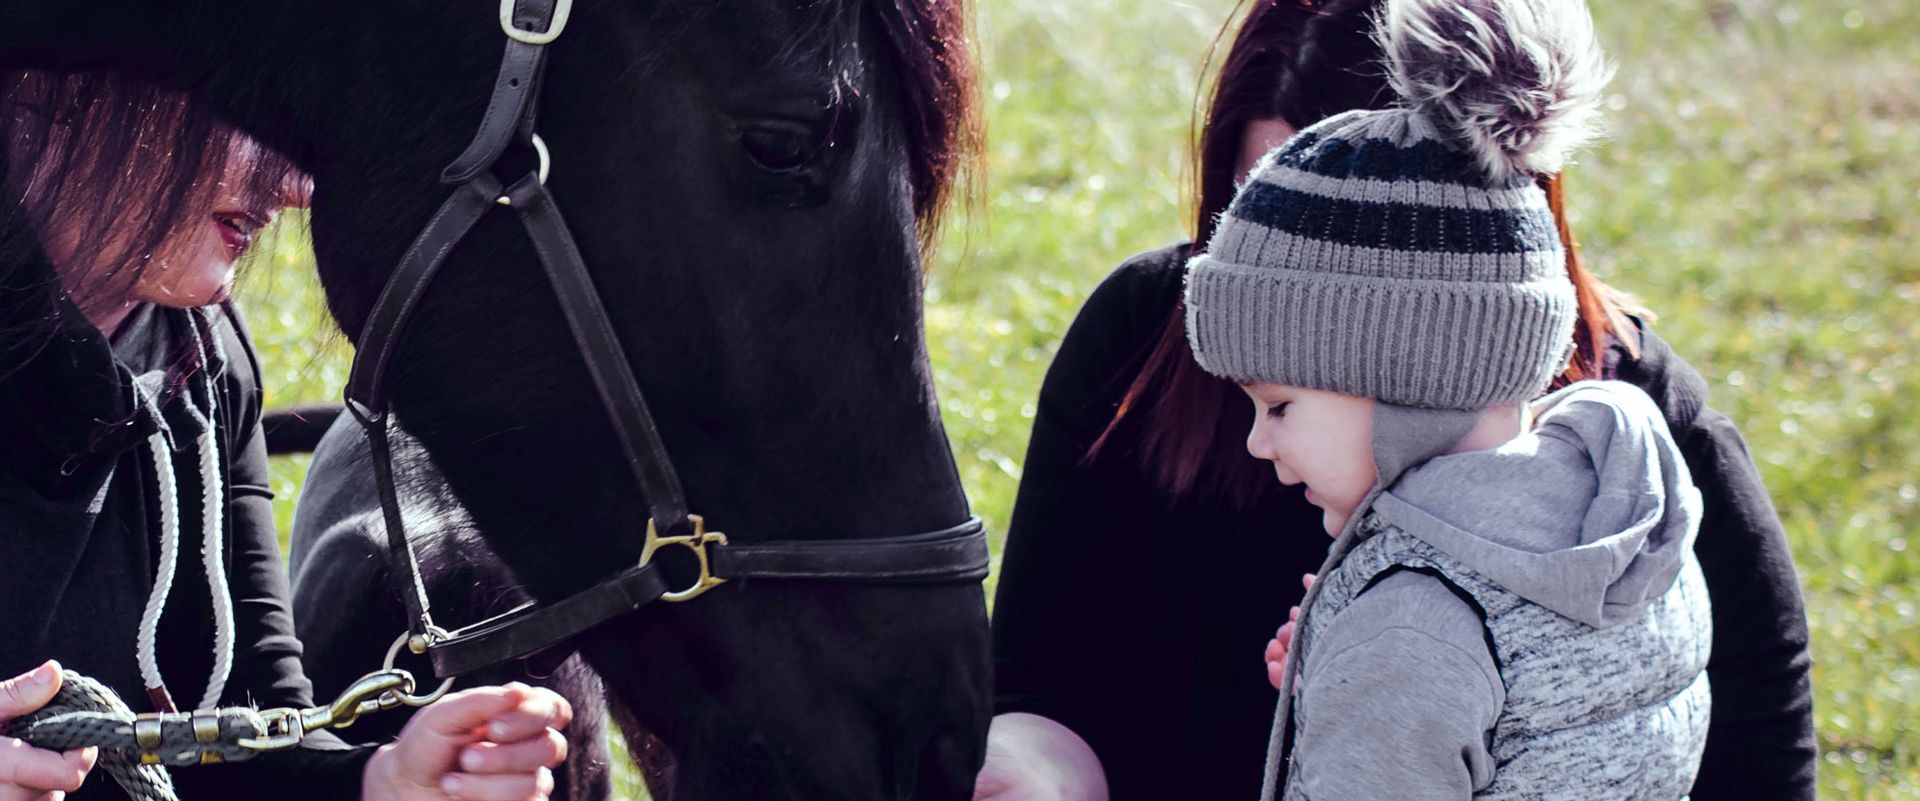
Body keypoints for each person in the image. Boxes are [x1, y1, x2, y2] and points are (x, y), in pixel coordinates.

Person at [979, 0, 1815, 798]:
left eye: (1351, 234)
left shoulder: (1629, 435)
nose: (1288, 261)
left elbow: (1758, 728)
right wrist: (1036, 765)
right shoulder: (1143, 335)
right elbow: (1042, 666)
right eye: (1257, 208)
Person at [1183, 0, 1711, 796]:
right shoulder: (1624, 520)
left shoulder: (1412, 634)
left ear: (1413, 380)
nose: (1258, 442)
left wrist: (1375, 671)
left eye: (1279, 404)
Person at [0, 69, 571, 801]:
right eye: (246, 113)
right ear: (78, 81)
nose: (297, 187)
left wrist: (383, 780)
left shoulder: (206, 360)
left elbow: (252, 730)